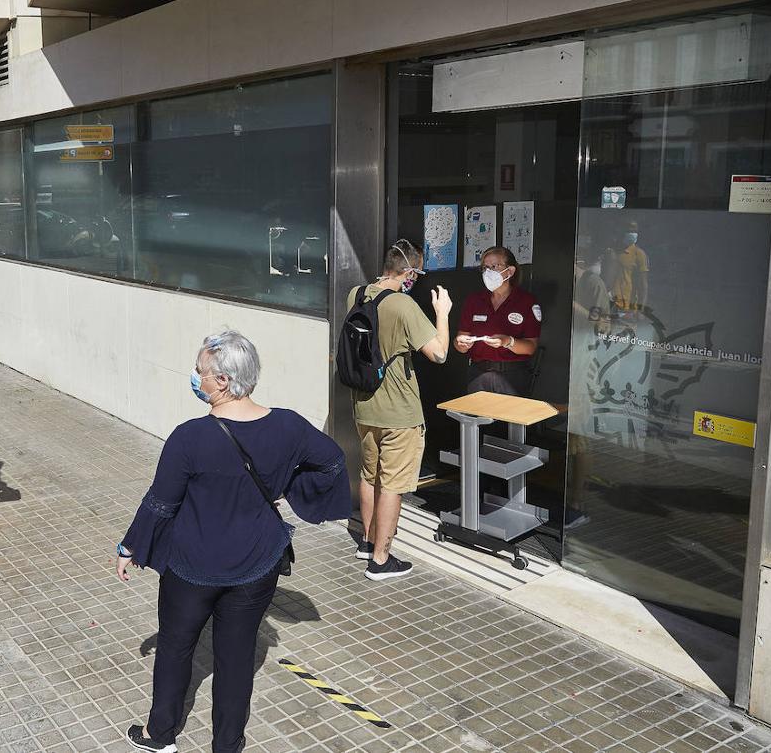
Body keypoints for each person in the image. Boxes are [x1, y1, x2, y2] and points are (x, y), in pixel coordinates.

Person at [117, 330, 351, 753]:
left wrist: (130, 547)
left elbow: (160, 504)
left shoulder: (190, 436)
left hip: (191, 568)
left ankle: (160, 735)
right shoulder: (288, 425)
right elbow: (333, 460)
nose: (195, 377)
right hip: (257, 565)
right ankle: (227, 744)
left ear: (222, 381)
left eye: (201, 371)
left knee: (174, 648)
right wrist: (290, 488)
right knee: (237, 658)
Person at [348, 240, 451, 580]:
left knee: (369, 474)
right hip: (399, 413)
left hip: (364, 405)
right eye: (416, 274)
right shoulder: (403, 305)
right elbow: (438, 354)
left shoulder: (357, 294)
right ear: (409, 272)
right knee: (391, 484)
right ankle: (380, 559)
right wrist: (443, 313)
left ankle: (366, 540)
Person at [454, 246, 542, 396]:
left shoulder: (526, 302)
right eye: (485, 267)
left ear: (510, 271)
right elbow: (459, 341)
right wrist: (460, 343)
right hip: (478, 375)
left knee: (512, 418)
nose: (488, 272)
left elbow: (530, 347)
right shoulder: (474, 301)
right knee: (476, 418)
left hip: (512, 376)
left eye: (494, 266)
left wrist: (507, 341)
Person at [610, 221, 648, 316]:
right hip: (608, 305)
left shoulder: (639, 254)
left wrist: (640, 309)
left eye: (634, 230)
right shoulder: (611, 251)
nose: (632, 233)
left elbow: (643, 285)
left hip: (626, 308)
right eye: (629, 230)